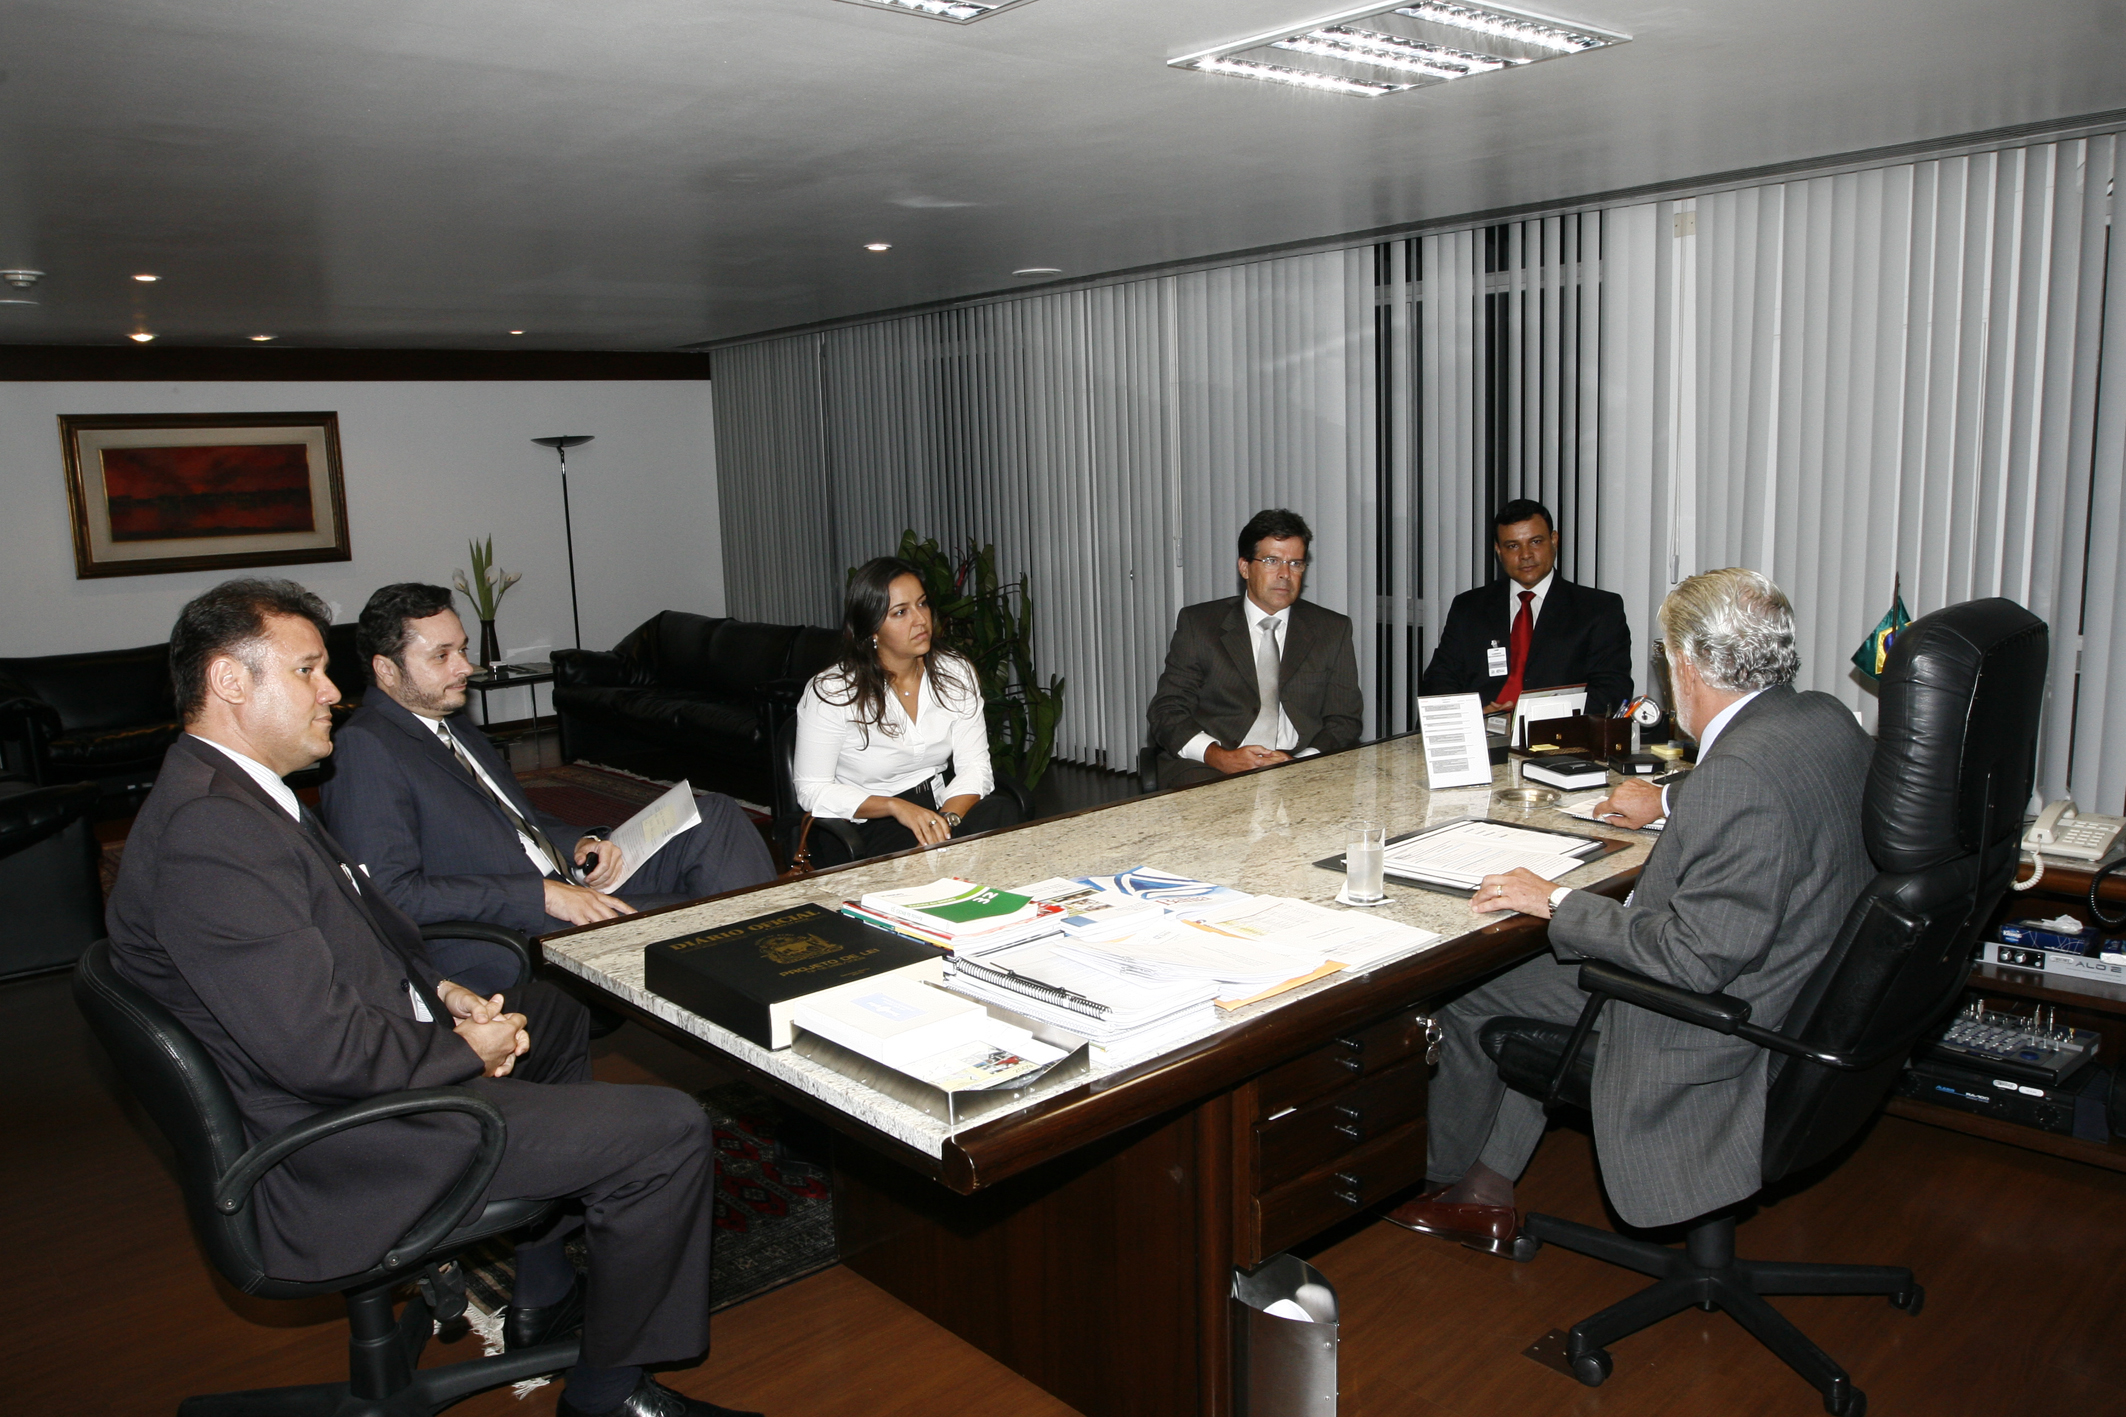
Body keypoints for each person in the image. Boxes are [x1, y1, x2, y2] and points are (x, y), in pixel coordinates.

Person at [106, 578, 757, 1417]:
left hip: (348, 1084)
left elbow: (354, 934)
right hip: (341, 1146)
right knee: (668, 1130)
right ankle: (606, 1394)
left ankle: (542, 1277)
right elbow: (321, 1050)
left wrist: (444, 991)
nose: (333, 689)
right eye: (308, 669)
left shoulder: (232, 795)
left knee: (549, 1016)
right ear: (232, 682)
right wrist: (463, 1050)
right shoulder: (212, 836)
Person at [1387, 568, 1873, 1249]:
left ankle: (1439, 1176)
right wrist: (1670, 798)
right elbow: (1757, 785)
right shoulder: (1822, 716)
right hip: (1796, 992)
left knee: (1477, 992)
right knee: (1544, 970)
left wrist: (1553, 899)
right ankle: (1490, 1182)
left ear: (1686, 665)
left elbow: (1688, 956)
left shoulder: (1738, 775)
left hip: (1716, 1021)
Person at [320, 584, 774, 993]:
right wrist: (541, 893)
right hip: (512, 924)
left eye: (461, 649)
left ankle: (760, 968)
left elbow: (516, 820)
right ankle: (770, 977)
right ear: (386, 669)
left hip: (562, 879)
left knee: (712, 814)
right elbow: (388, 893)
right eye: (442, 656)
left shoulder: (448, 720)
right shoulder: (366, 746)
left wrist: (581, 841)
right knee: (713, 914)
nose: (465, 667)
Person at [791, 556, 1026, 864]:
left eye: (923, 604)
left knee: (1002, 811)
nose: (920, 620)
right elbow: (812, 790)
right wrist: (894, 807)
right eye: (901, 612)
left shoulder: (954, 672)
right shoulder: (833, 691)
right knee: (925, 857)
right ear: (872, 628)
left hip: (939, 807)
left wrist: (946, 822)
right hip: (866, 822)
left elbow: (975, 767)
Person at [1146, 508, 1363, 789]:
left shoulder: (1331, 629)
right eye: (1272, 561)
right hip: (1213, 766)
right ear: (1245, 567)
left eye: (1295, 563)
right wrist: (1218, 756)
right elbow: (1167, 711)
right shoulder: (1200, 624)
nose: (1285, 574)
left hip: (1302, 764)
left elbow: (1344, 720)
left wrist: (1303, 761)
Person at [1419, 498, 1633, 715]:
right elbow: (1439, 679)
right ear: (1498, 551)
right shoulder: (1469, 607)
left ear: (1554, 540)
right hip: (1482, 737)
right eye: (1513, 546)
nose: (1525, 555)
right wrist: (1470, 717)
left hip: (1556, 738)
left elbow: (1612, 692)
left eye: (1536, 542)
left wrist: (1530, 716)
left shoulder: (1598, 609)